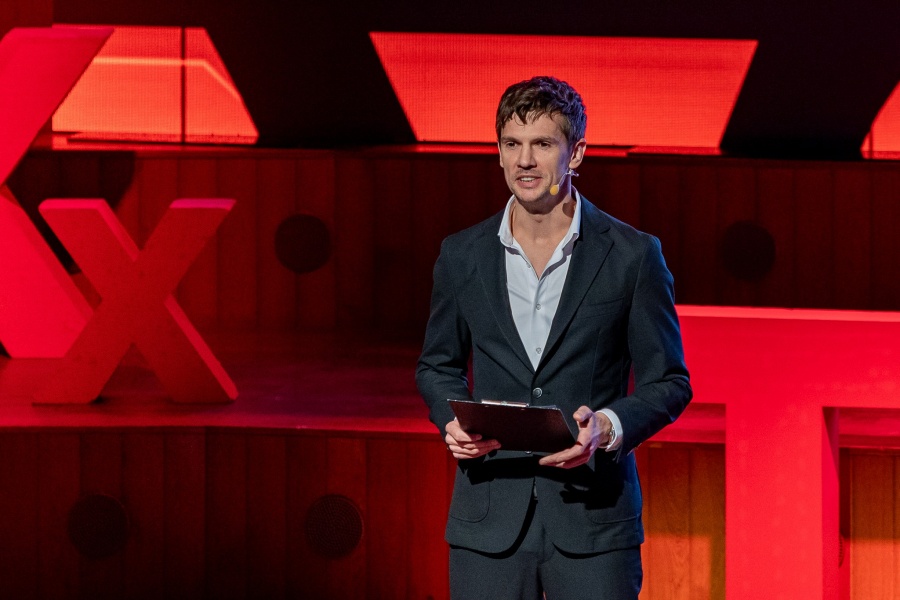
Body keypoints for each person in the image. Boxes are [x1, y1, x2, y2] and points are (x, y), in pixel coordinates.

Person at [416, 76, 691, 600]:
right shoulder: (461, 254)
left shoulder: (633, 255)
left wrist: (606, 427)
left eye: (542, 144)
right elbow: (437, 365)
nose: (525, 160)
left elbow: (670, 382)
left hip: (594, 520)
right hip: (488, 517)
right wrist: (450, 419)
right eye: (512, 144)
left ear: (576, 153)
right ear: (498, 152)